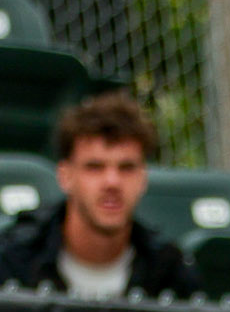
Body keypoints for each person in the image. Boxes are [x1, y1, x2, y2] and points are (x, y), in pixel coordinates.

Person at [0, 90, 200, 299]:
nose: (112, 182)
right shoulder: (12, 263)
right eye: (94, 167)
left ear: (143, 179)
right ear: (65, 176)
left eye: (126, 167)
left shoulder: (171, 272)